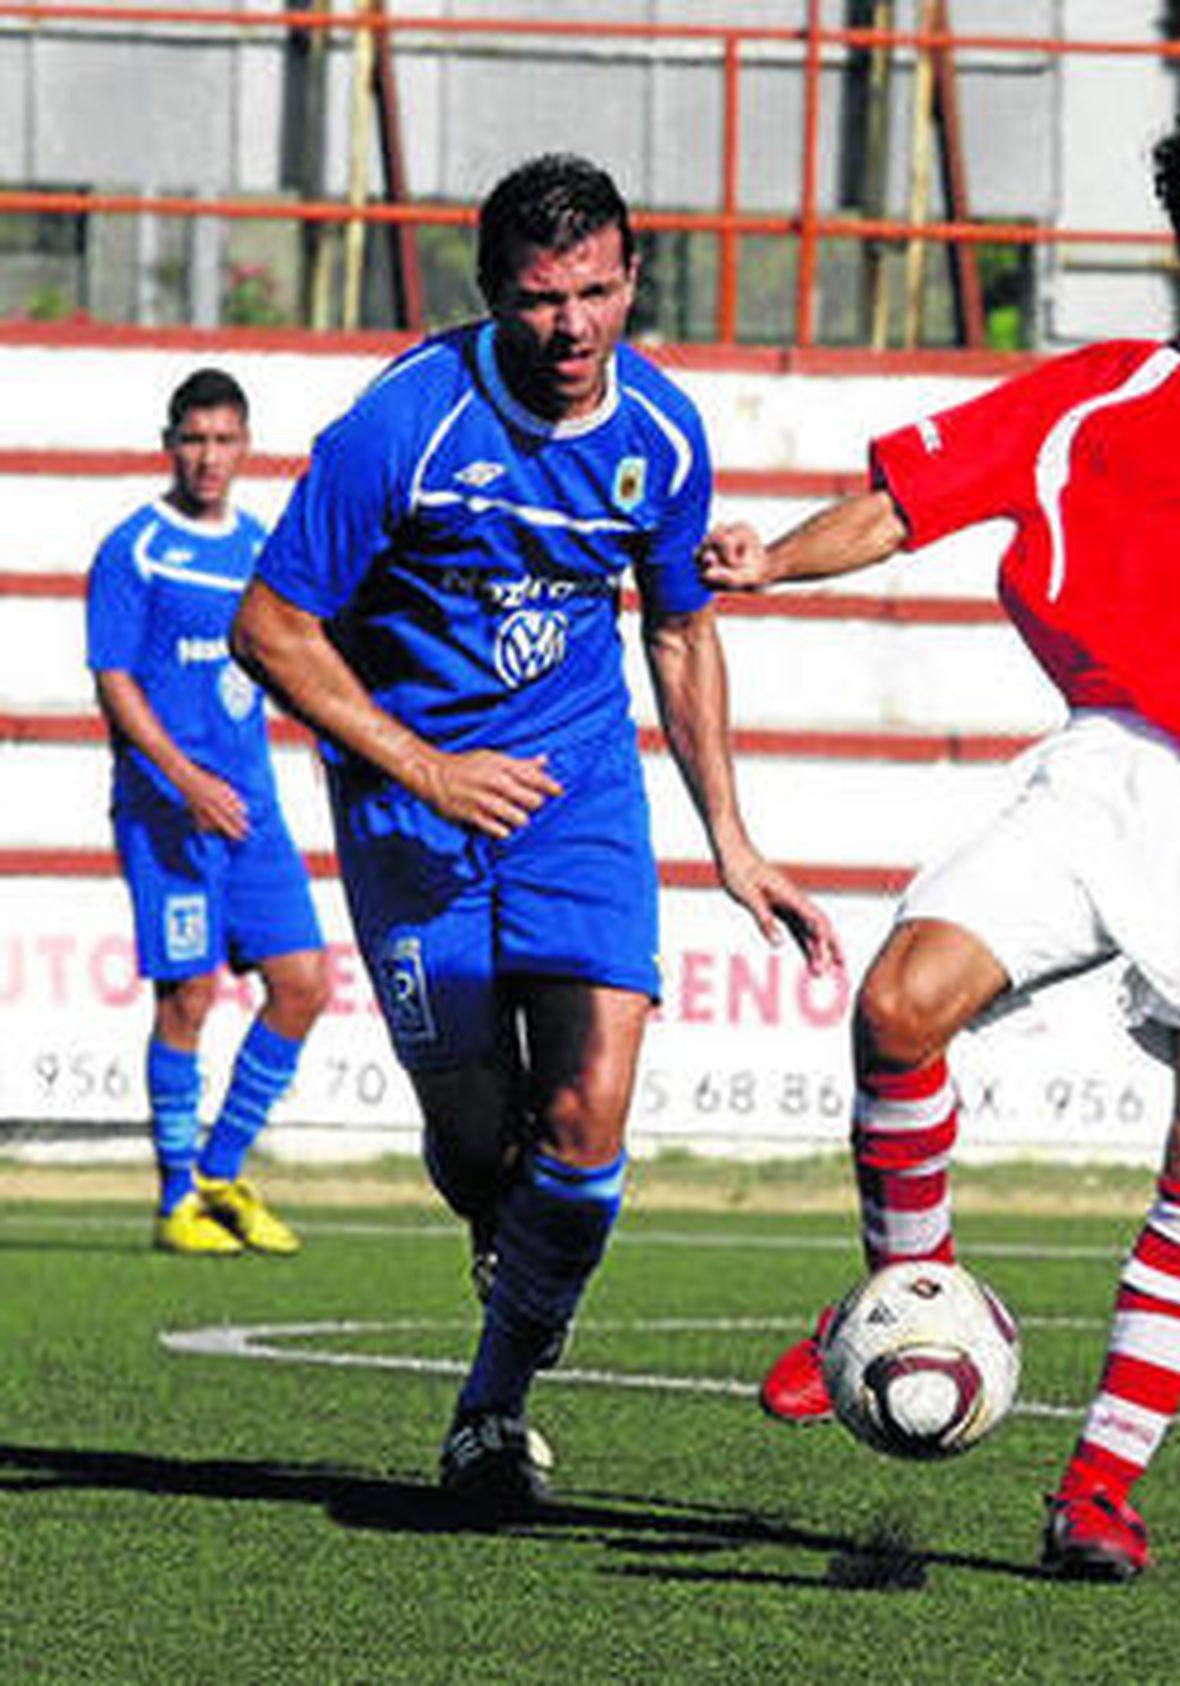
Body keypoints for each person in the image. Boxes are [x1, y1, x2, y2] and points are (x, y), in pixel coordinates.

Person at [698, 96, 1180, 1581]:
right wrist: (773, 563)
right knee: (897, 1005)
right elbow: (904, 503)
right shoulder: (1091, 396)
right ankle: (900, 1289)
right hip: (1108, 771)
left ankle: (1100, 1484)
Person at [232, 153, 840, 1514]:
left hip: (579, 794)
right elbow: (270, 627)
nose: (572, 328)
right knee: (477, 1151)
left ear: (634, 279)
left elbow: (681, 638)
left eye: (598, 293)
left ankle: (490, 1409)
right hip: (409, 802)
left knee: (587, 1112)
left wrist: (733, 842)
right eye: (541, 299)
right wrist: (426, 766)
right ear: (494, 292)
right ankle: (517, 1263)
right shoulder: (401, 427)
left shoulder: (664, 438)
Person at [86, 367, 330, 1258]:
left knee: (305, 984)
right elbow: (115, 680)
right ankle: (175, 1198)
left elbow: (283, 660)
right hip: (169, 813)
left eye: (225, 440)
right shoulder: (135, 549)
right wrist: (186, 779)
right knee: (188, 994)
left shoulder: (259, 547)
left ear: (245, 447)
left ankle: (222, 1171)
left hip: (252, 808)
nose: (208, 457)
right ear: (169, 444)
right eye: (194, 439)